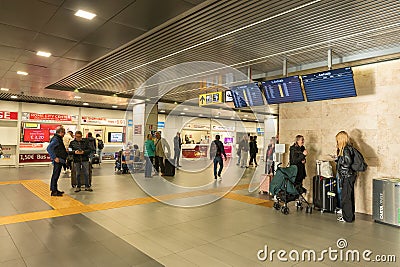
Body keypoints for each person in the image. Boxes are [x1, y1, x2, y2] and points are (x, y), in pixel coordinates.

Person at [335, 131, 357, 223]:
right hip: (348, 175)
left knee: (346, 197)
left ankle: (347, 218)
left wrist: (340, 161)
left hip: (347, 176)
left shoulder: (346, 149)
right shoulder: (346, 149)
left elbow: (347, 162)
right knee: (348, 196)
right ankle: (350, 216)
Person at [46, 126, 68, 196]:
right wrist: (54, 157)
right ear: (61, 132)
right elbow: (49, 148)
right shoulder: (56, 139)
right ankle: (53, 191)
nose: (64, 134)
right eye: (64, 133)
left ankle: (55, 189)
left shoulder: (57, 138)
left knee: (56, 175)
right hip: (58, 160)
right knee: (55, 175)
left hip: (60, 160)